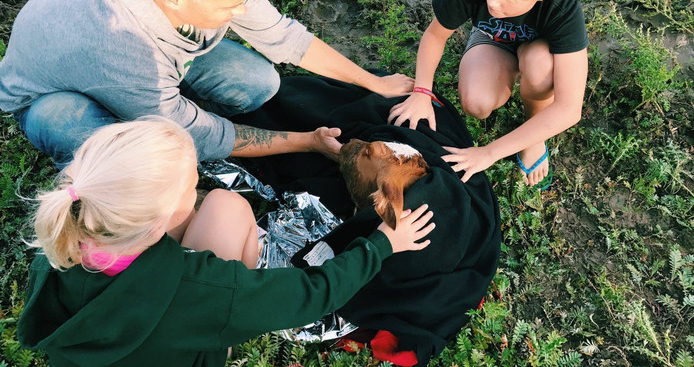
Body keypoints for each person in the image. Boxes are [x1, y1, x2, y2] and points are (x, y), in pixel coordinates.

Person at [0, 0, 414, 168]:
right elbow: (197, 135)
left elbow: (283, 36)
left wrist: (373, 82)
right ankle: (105, 158)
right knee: (87, 131)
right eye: (227, 7)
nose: (240, 11)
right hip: (53, 98)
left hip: (148, 65)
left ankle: (158, 105)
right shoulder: (122, 48)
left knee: (259, 84)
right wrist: (305, 142)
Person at [17, 117, 435, 366]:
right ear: (155, 225)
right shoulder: (203, 289)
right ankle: (226, 333)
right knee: (227, 208)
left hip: (128, 337)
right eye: (189, 184)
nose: (197, 183)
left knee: (222, 204)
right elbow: (315, 294)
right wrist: (383, 245)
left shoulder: (60, 243)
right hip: (187, 337)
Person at [388, 0, 588, 189]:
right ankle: (504, 72)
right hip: (493, 40)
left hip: (538, 51)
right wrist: (422, 91)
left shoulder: (562, 3)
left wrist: (489, 153)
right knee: (476, 104)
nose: (493, 1)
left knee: (541, 64)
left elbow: (569, 108)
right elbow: (435, 35)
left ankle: (534, 134)